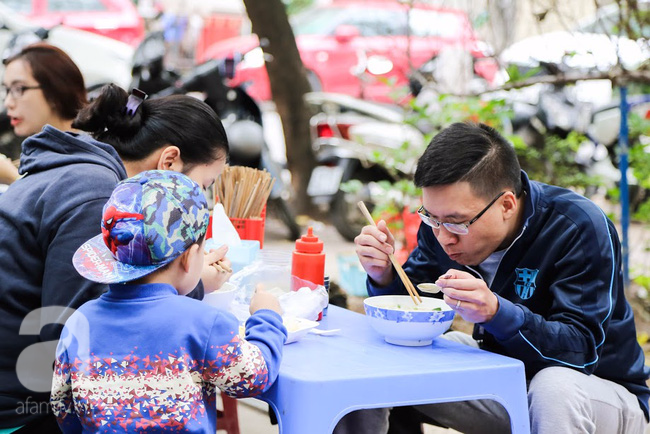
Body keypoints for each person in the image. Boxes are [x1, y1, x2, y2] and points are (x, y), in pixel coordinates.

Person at [353, 122, 649, 433]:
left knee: (553, 387)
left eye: (457, 223)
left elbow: (581, 351)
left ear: (506, 204)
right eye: (431, 217)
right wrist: (383, 274)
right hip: (504, 382)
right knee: (395, 357)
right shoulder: (441, 226)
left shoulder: (576, 226)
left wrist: (497, 312)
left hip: (597, 395)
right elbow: (417, 302)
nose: (443, 237)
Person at [0, 85, 231, 432]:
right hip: (20, 407)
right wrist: (192, 283)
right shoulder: (96, 196)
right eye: (204, 184)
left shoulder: (83, 171)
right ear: (169, 162)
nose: (202, 198)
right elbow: (87, 331)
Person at [50, 170, 286, 432]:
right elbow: (254, 378)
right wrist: (267, 315)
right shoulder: (203, 322)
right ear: (190, 257)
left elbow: (63, 408)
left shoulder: (79, 321)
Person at [0, 43, 87, 185]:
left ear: (55, 91)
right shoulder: (44, 147)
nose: (8, 103)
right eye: (7, 90)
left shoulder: (88, 156)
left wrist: (13, 178)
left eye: (18, 89)